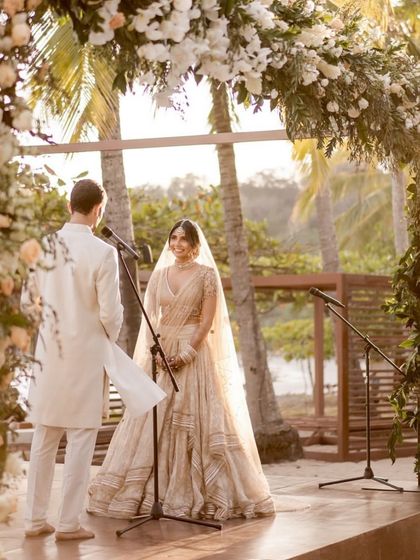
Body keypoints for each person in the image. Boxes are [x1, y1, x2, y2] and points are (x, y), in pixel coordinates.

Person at [88, 219, 275, 520]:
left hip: (195, 356)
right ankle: (150, 492)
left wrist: (187, 353)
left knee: (197, 425)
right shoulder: (159, 276)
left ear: (195, 244)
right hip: (161, 357)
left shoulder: (206, 275)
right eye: (173, 237)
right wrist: (157, 354)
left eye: (183, 239)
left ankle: (202, 492)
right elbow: (151, 320)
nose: (177, 244)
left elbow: (208, 322)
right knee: (155, 422)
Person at [21, 179, 124, 541]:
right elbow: (112, 315)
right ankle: (67, 523)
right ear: (98, 210)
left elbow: (25, 305)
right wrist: (104, 339)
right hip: (85, 357)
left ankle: (35, 521)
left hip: (48, 356)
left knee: (43, 439)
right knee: (81, 441)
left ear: (69, 206)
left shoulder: (44, 247)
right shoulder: (103, 253)